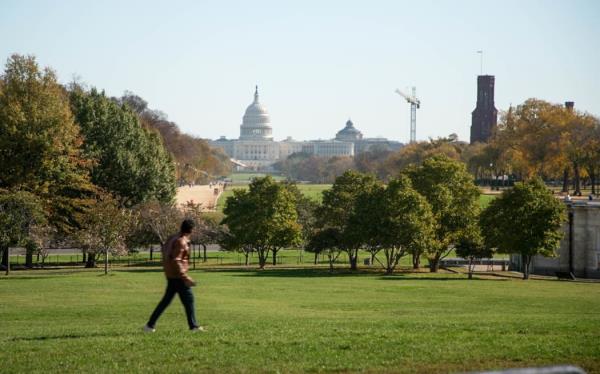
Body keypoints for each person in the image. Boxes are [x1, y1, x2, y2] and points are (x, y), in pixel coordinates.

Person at [144, 219, 204, 332]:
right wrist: (185, 277)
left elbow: (166, 253)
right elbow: (177, 260)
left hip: (170, 275)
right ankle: (193, 326)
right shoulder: (181, 241)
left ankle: (150, 325)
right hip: (178, 276)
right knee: (189, 299)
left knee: (166, 301)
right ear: (191, 229)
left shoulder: (173, 237)